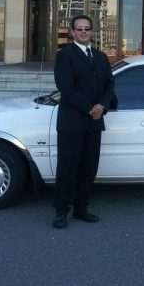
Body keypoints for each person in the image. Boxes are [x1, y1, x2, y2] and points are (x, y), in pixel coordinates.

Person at [52, 14, 115, 229]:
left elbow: (110, 85)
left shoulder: (101, 57)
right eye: (79, 29)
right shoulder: (64, 55)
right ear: (72, 32)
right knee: (67, 168)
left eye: (87, 28)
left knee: (89, 168)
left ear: (92, 32)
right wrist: (90, 108)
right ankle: (61, 211)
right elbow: (66, 87)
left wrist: (102, 105)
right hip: (72, 122)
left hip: (94, 122)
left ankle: (81, 208)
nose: (83, 32)